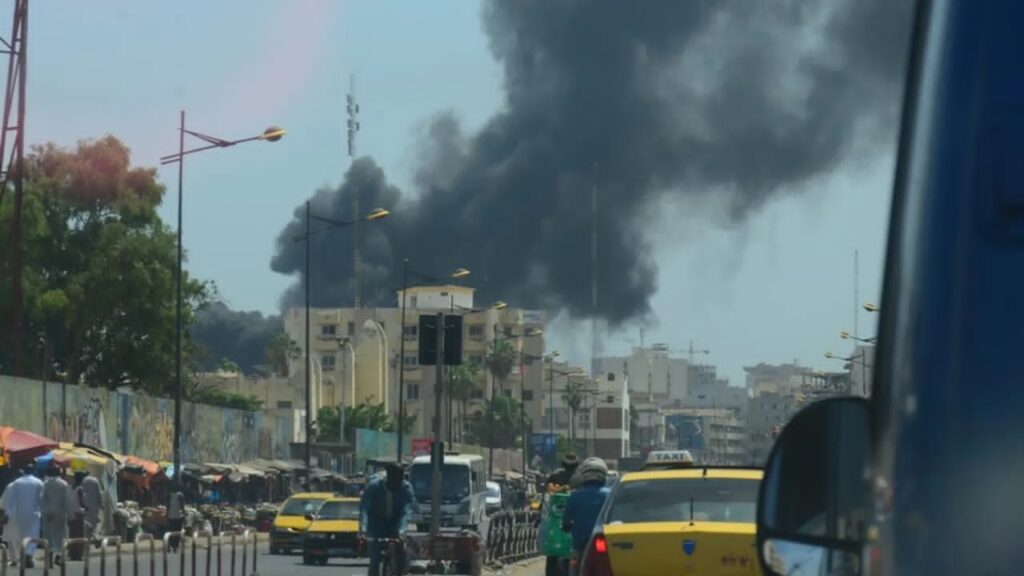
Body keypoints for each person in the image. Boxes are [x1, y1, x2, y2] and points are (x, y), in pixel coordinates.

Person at [359, 463, 415, 576]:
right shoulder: (374, 486)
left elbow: (406, 511)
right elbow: (364, 508)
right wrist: (363, 529)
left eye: (400, 481)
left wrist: (401, 531)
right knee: (375, 559)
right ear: (388, 477)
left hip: (396, 523)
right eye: (395, 480)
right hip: (376, 524)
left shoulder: (406, 488)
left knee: (401, 553)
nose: (397, 484)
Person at [561, 458, 610, 576]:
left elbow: (566, 519)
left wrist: (566, 526)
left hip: (580, 543)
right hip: (604, 542)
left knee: (573, 563)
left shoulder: (575, 496)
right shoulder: (610, 494)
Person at [0, 465, 44, 568]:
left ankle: (19, 556)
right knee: (33, 534)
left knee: (18, 536)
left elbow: (10, 501)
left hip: (17, 513)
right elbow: (41, 499)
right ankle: (29, 554)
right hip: (34, 513)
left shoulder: (16, 483)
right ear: (33, 471)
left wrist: (6, 514)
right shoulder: (38, 482)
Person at [39, 465, 72, 567]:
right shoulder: (63, 484)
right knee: (60, 537)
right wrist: (69, 513)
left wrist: (44, 511)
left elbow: (41, 498)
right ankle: (58, 557)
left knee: (48, 536)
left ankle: (49, 558)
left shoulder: (45, 484)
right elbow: (67, 500)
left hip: (48, 514)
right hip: (60, 514)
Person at [67, 472, 87, 561]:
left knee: (72, 534)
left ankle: (72, 553)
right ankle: (78, 554)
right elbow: (81, 502)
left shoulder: (70, 488)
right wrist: (87, 508)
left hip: (71, 512)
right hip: (79, 513)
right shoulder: (80, 489)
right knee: (79, 534)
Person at [80, 472, 102, 542]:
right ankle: (96, 536)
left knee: (87, 522)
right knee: (97, 521)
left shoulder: (82, 481)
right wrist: (101, 503)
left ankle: (87, 540)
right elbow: (99, 493)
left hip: (85, 504)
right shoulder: (95, 480)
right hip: (95, 503)